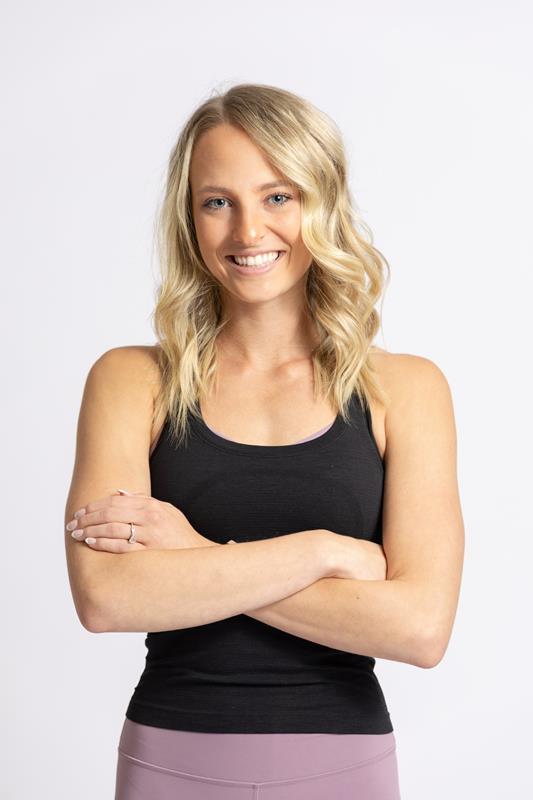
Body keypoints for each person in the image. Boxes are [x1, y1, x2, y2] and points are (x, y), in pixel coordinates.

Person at [64, 83, 465, 799]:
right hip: (170, 762)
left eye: (278, 197)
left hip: (345, 767)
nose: (248, 231)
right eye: (217, 202)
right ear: (189, 219)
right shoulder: (131, 381)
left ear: (321, 204)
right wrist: (325, 551)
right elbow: (107, 599)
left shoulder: (404, 390)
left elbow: (419, 628)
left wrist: (191, 552)